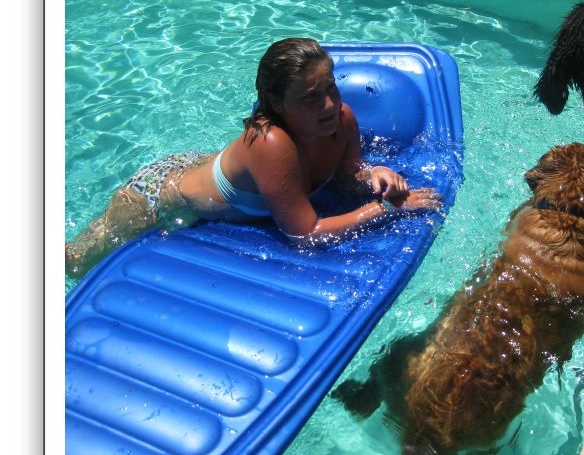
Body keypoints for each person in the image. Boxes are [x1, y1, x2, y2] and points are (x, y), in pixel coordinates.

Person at [65, 37, 443, 278]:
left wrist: (375, 174)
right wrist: (386, 208)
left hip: (201, 167)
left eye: (331, 88)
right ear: (277, 103)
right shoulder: (270, 143)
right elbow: (305, 234)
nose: (329, 104)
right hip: (157, 197)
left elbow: (348, 174)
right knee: (75, 263)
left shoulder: (341, 120)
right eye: (310, 97)